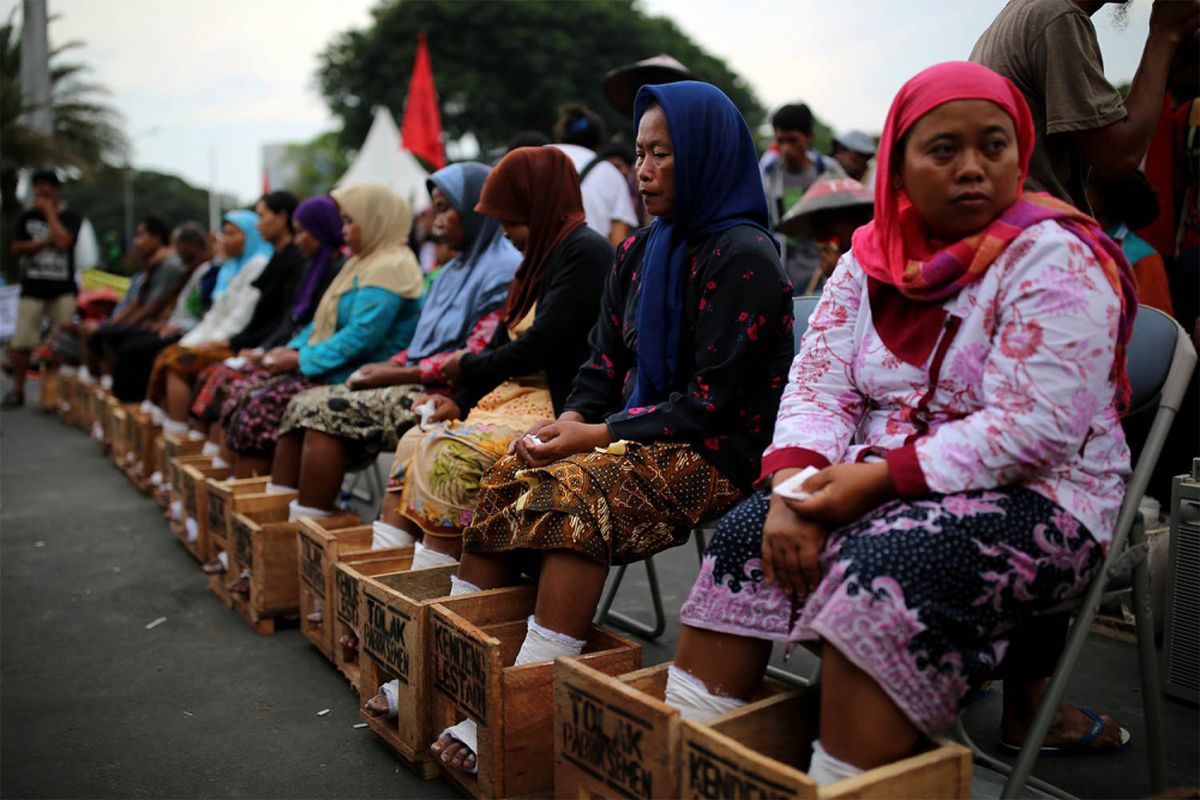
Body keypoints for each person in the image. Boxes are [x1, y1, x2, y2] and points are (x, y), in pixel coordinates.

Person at [668, 62, 1138, 785]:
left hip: (1045, 494)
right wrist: (794, 487)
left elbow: (1035, 428)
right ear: (899, 165)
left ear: (1022, 153)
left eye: (994, 145)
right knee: (744, 534)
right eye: (944, 150)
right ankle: (688, 767)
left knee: (883, 570)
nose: (973, 168)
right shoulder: (867, 259)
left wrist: (877, 482)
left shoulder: (1055, 256)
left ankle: (842, 774)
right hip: (873, 474)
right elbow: (818, 387)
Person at [428, 82, 794, 774]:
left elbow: (709, 405)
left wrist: (596, 437)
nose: (643, 170)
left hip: (720, 451)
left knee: (581, 491)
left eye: (663, 154)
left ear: (708, 158)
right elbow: (603, 361)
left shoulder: (744, 256)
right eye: (639, 153)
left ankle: (526, 699)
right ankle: (465, 676)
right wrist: (567, 420)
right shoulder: (644, 250)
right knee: (511, 470)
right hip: (637, 431)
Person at [360, 145, 614, 717]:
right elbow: (503, 344)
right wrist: (456, 394)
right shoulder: (540, 255)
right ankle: (406, 623)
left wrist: (464, 371)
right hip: (510, 396)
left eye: (511, 221)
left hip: (554, 400)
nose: (506, 235)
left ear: (539, 206)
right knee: (417, 439)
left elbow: (543, 345)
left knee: (452, 456)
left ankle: (429, 646)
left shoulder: (583, 253)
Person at [267, 162, 519, 523]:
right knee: (304, 406)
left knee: (316, 409)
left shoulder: (502, 269)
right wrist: (394, 365)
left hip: (460, 390)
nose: (436, 222)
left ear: (476, 208)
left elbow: (476, 355)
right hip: (418, 379)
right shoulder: (451, 270)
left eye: (446, 209)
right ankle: (290, 535)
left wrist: (393, 374)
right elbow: (422, 343)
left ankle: (308, 532)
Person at [217, 182, 424, 481]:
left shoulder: (391, 265)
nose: (344, 229)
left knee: (265, 400)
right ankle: (245, 497)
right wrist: (293, 350)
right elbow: (320, 320)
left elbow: (361, 337)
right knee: (245, 388)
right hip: (333, 363)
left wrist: (300, 360)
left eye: (351, 221)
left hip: (364, 370)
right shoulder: (361, 260)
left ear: (376, 220)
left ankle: (271, 503)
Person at [970, 0, 1200, 213]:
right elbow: (1119, 156)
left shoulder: (1025, 14)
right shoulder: (1057, 18)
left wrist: (1165, 70)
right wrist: (1164, 35)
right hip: (1037, 234)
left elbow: (1105, 133)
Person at [187, 194, 344, 463]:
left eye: (304, 231)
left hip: (325, 367)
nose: (298, 239)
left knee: (250, 395)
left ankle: (241, 488)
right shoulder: (310, 265)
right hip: (290, 352)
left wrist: (284, 354)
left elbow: (343, 334)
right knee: (222, 378)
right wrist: (266, 350)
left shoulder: (334, 268)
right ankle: (211, 476)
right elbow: (294, 322)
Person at [144, 209, 273, 426]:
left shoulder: (258, 265)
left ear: (249, 235)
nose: (225, 240)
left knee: (178, 362)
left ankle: (177, 430)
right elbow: (214, 315)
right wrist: (192, 342)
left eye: (232, 233)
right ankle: (170, 427)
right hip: (216, 336)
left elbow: (240, 318)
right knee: (172, 352)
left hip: (236, 342)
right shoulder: (233, 267)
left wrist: (207, 343)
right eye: (224, 234)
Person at [4, 169, 83, 408]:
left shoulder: (71, 217)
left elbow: (63, 241)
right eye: (37, 185)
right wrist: (42, 242)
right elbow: (16, 248)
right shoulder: (26, 217)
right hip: (33, 288)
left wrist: (50, 213)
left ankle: (61, 395)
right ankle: (18, 390)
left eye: (46, 186)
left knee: (65, 344)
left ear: (56, 190)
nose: (41, 190)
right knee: (22, 341)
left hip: (62, 290)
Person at [109, 222, 211, 404]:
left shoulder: (205, 270)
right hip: (179, 327)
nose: (174, 250)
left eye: (177, 244)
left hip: (191, 331)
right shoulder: (190, 270)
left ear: (192, 245)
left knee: (134, 349)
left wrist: (178, 326)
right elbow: (170, 305)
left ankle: (137, 403)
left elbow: (202, 312)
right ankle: (131, 403)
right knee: (123, 341)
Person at [83, 215, 185, 384]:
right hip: (148, 321)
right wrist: (116, 323)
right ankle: (110, 383)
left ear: (157, 237)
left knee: (114, 337)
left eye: (141, 235)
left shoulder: (169, 265)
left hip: (162, 324)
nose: (137, 242)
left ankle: (119, 386)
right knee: (103, 333)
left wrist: (125, 325)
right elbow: (137, 303)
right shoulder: (150, 265)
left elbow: (154, 305)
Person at [761, 103, 846, 292]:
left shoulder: (829, 171)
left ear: (809, 137)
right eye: (780, 141)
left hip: (826, 273)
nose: (786, 149)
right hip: (784, 274)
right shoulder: (769, 175)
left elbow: (847, 216)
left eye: (793, 140)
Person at [550, 103, 640, 246]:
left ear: (560, 136)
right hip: (588, 264)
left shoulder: (533, 160)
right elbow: (618, 241)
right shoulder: (610, 174)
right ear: (599, 143)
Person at [1087, 171, 1174, 313]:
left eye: (1089, 182)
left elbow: (1153, 324)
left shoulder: (1143, 258)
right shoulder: (1072, 239)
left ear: (1107, 193)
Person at [774, 175, 874, 293]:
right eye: (818, 230)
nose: (823, 238)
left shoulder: (875, 261)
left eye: (829, 225)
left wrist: (841, 273)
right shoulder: (824, 275)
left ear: (855, 220)